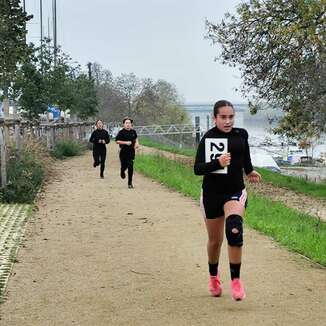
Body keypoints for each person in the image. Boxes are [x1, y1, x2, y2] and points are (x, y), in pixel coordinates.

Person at [194, 100, 261, 301]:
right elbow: (197, 169)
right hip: (212, 194)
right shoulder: (208, 138)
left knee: (234, 229)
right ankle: (213, 277)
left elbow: (244, 158)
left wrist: (250, 171)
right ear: (215, 118)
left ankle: (236, 280)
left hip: (235, 191)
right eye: (223, 117)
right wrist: (218, 162)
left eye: (231, 116)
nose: (228, 121)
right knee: (215, 242)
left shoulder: (241, 135)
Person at [115, 117, 139, 188]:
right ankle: (122, 171)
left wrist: (137, 143)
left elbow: (136, 138)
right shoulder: (121, 132)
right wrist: (125, 142)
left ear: (131, 124)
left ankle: (130, 183)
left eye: (129, 123)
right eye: (126, 123)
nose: (128, 124)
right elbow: (117, 141)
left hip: (131, 152)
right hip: (123, 152)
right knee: (124, 166)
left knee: (130, 166)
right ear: (124, 124)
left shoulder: (133, 132)